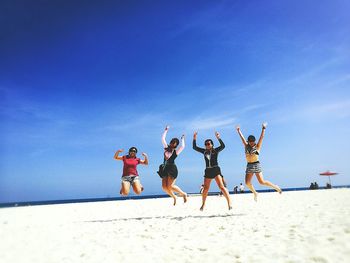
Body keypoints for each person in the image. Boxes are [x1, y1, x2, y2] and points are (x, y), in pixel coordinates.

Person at [236, 123, 282, 201]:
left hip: (256, 164)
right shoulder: (246, 146)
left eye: (253, 141)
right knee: (247, 183)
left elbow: (262, 137)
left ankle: (276, 187)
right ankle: (255, 193)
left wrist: (263, 128)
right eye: (250, 141)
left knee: (261, 182)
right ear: (248, 141)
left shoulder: (257, 146)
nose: (251, 143)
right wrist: (239, 130)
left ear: (254, 141)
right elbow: (242, 138)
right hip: (249, 165)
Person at [193, 131, 232, 211]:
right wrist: (194, 138)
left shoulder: (215, 150)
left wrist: (218, 137)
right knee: (206, 188)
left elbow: (223, 146)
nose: (207, 145)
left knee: (221, 187)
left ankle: (229, 203)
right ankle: (203, 204)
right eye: (206, 144)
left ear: (212, 144)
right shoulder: (204, 151)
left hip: (215, 169)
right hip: (208, 170)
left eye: (209, 143)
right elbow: (195, 147)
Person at [157, 125, 187, 205]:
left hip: (172, 169)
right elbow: (163, 139)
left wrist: (182, 139)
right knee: (164, 187)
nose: (173, 144)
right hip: (164, 168)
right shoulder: (166, 148)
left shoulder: (176, 152)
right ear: (170, 142)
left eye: (175, 143)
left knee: (170, 186)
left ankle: (183, 193)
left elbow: (183, 146)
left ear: (176, 145)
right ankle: (174, 197)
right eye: (172, 142)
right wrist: (166, 130)